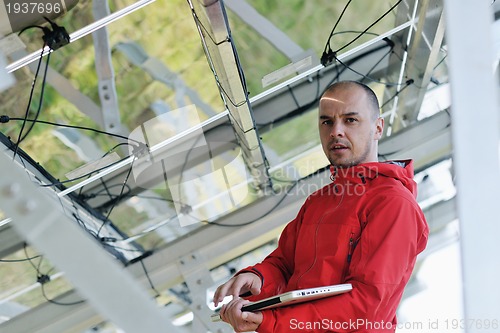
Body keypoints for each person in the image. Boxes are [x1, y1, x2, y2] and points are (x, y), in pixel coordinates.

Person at [213, 81, 429, 332]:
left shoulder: (394, 204)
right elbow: (284, 265)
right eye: (327, 122)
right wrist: (257, 278)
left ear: (378, 128)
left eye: (350, 120)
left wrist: (273, 321)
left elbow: (366, 307)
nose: (336, 131)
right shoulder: (318, 201)